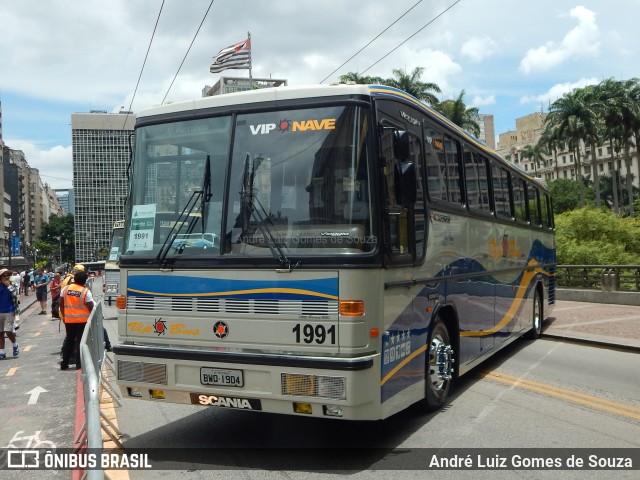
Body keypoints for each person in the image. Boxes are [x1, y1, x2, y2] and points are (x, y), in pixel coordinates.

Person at [59, 270, 94, 370]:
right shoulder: (85, 291)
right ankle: (79, 364)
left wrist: (64, 315)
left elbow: (60, 303)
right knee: (80, 342)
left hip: (69, 320)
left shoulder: (65, 289)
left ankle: (64, 364)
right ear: (85, 281)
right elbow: (90, 306)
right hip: (82, 321)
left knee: (69, 340)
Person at [0, 268, 20, 359]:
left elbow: (16, 294)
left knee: (8, 331)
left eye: (8, 275)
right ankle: (2, 352)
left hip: (9, 310)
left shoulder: (13, 284)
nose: (6, 277)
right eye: (4, 275)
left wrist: (8, 286)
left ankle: (15, 345)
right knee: (0, 333)